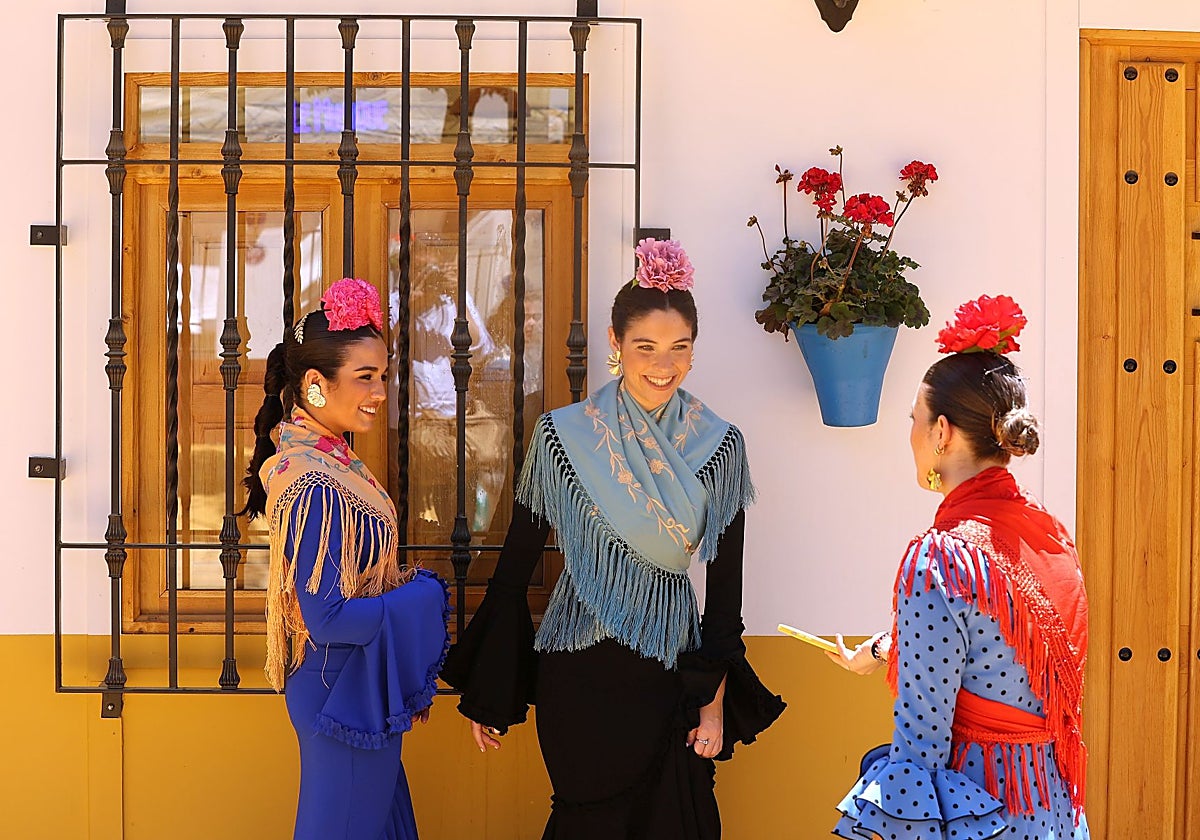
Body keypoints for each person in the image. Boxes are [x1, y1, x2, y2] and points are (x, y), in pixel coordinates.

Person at [441, 238, 786, 840]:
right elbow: (516, 566)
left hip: (670, 670)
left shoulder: (721, 446)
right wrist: (490, 694)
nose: (663, 364)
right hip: (576, 673)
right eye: (645, 347)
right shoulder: (562, 437)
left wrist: (712, 702)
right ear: (615, 344)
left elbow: (725, 594)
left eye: (679, 349)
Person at [827, 295, 1089, 840]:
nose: (912, 435)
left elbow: (920, 746)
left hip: (980, 811)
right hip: (1053, 812)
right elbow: (995, 651)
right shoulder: (1051, 536)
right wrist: (881, 649)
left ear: (942, 432)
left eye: (915, 420)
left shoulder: (942, 557)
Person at [241, 278, 451, 840]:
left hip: (348, 684)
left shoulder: (331, 462)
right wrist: (423, 597)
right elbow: (327, 617)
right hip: (341, 691)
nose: (380, 391)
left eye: (382, 376)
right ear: (315, 385)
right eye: (365, 377)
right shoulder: (312, 481)